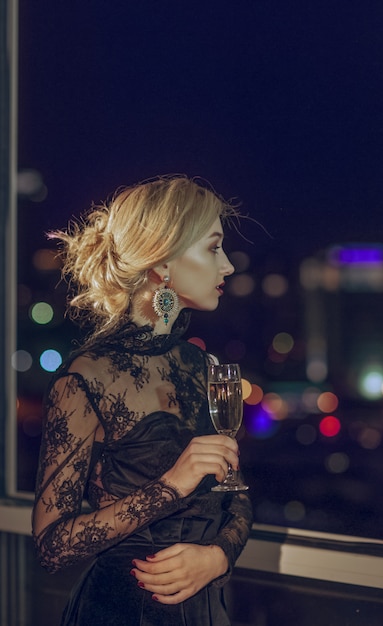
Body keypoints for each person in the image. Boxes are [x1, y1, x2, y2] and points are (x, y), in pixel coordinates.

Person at [32, 175, 253, 626]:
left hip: (208, 612)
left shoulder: (205, 367)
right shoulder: (86, 378)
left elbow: (237, 497)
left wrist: (218, 558)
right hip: (119, 612)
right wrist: (171, 485)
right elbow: (52, 546)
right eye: (213, 248)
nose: (228, 265)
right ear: (163, 264)